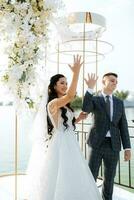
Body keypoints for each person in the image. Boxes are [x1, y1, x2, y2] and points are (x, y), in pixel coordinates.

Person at [26, 55, 102, 200]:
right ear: (54, 86)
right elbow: (71, 95)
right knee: (61, 174)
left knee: (73, 173)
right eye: (62, 83)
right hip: (60, 145)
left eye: (66, 83)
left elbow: (65, 123)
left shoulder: (64, 106)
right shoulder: (52, 104)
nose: (65, 86)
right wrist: (76, 72)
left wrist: (77, 119)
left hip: (70, 142)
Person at [82, 72, 131, 200]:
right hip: (96, 143)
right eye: (112, 80)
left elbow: (123, 126)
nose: (115, 83)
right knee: (91, 176)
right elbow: (85, 108)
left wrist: (127, 148)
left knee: (109, 178)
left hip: (113, 145)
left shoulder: (119, 102)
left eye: (116, 81)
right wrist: (90, 88)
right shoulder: (95, 99)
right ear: (104, 82)